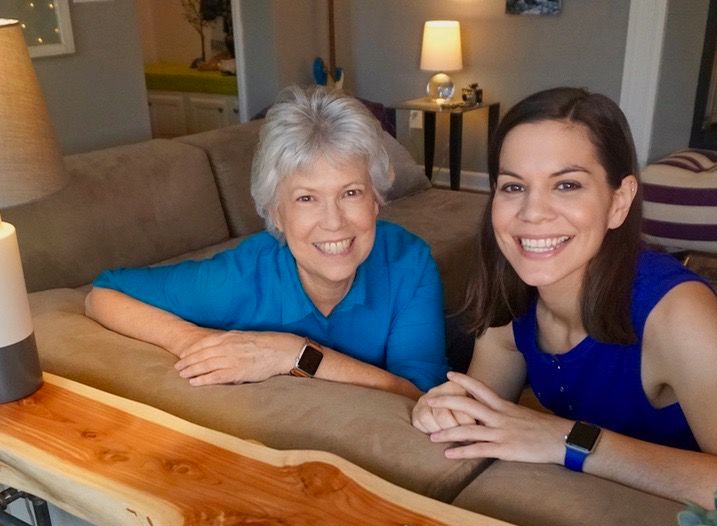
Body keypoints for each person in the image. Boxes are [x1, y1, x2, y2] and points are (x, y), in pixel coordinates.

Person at [412, 86, 717, 509]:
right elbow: (478, 411)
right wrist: (441, 409)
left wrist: (569, 440)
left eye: (566, 185)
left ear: (618, 202)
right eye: (513, 187)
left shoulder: (680, 315)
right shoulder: (513, 294)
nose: (532, 213)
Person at [85, 85, 448, 399]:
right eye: (306, 198)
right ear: (276, 213)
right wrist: (189, 340)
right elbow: (102, 294)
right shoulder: (239, 279)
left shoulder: (408, 263)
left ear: (375, 200)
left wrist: (295, 354)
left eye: (351, 193)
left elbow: (420, 396)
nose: (334, 222)